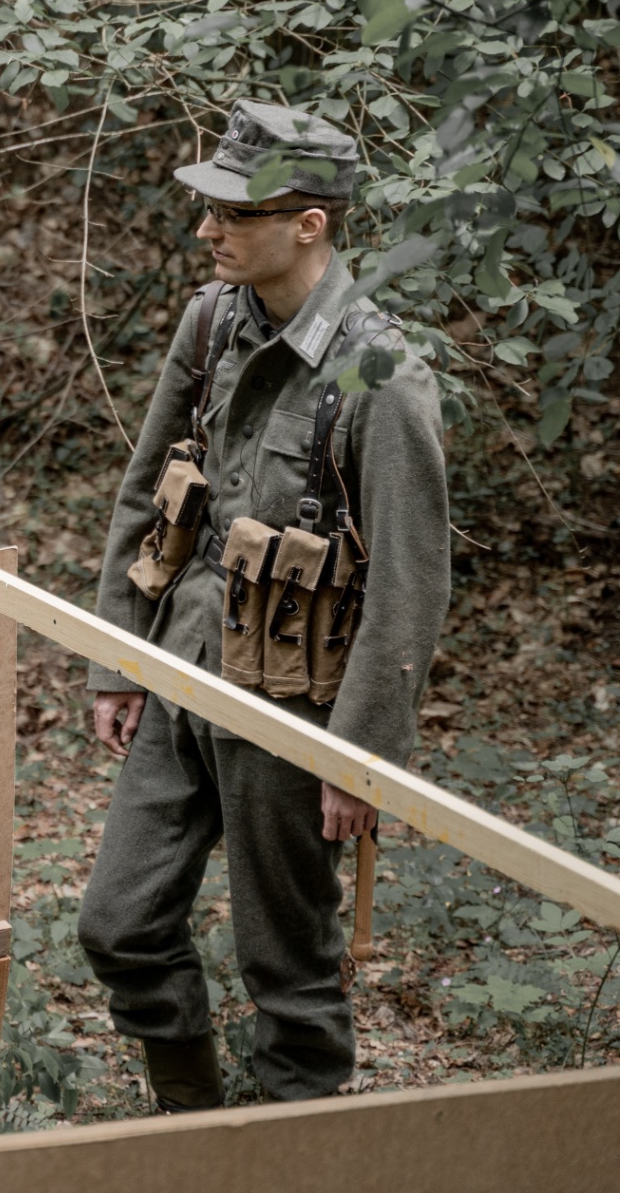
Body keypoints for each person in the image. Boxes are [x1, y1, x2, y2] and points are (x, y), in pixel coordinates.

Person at [75, 101, 450, 1110]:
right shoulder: (212, 322)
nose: (209, 234)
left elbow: (410, 584)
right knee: (119, 923)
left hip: (293, 711)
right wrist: (118, 658)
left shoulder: (382, 374)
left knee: (287, 971)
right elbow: (144, 486)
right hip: (182, 671)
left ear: (311, 224)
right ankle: (192, 1128)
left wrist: (358, 754)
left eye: (234, 216)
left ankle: (295, 1150)